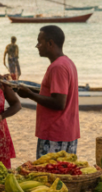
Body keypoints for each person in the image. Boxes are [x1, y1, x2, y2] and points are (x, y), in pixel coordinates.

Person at [9, 26, 80, 157]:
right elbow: (56, 94)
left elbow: (59, 103)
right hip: (67, 132)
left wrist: (30, 95)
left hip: (55, 134)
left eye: (39, 42)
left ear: (50, 43)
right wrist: (30, 90)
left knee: (48, 170)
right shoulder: (67, 63)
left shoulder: (57, 67)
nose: (37, 46)